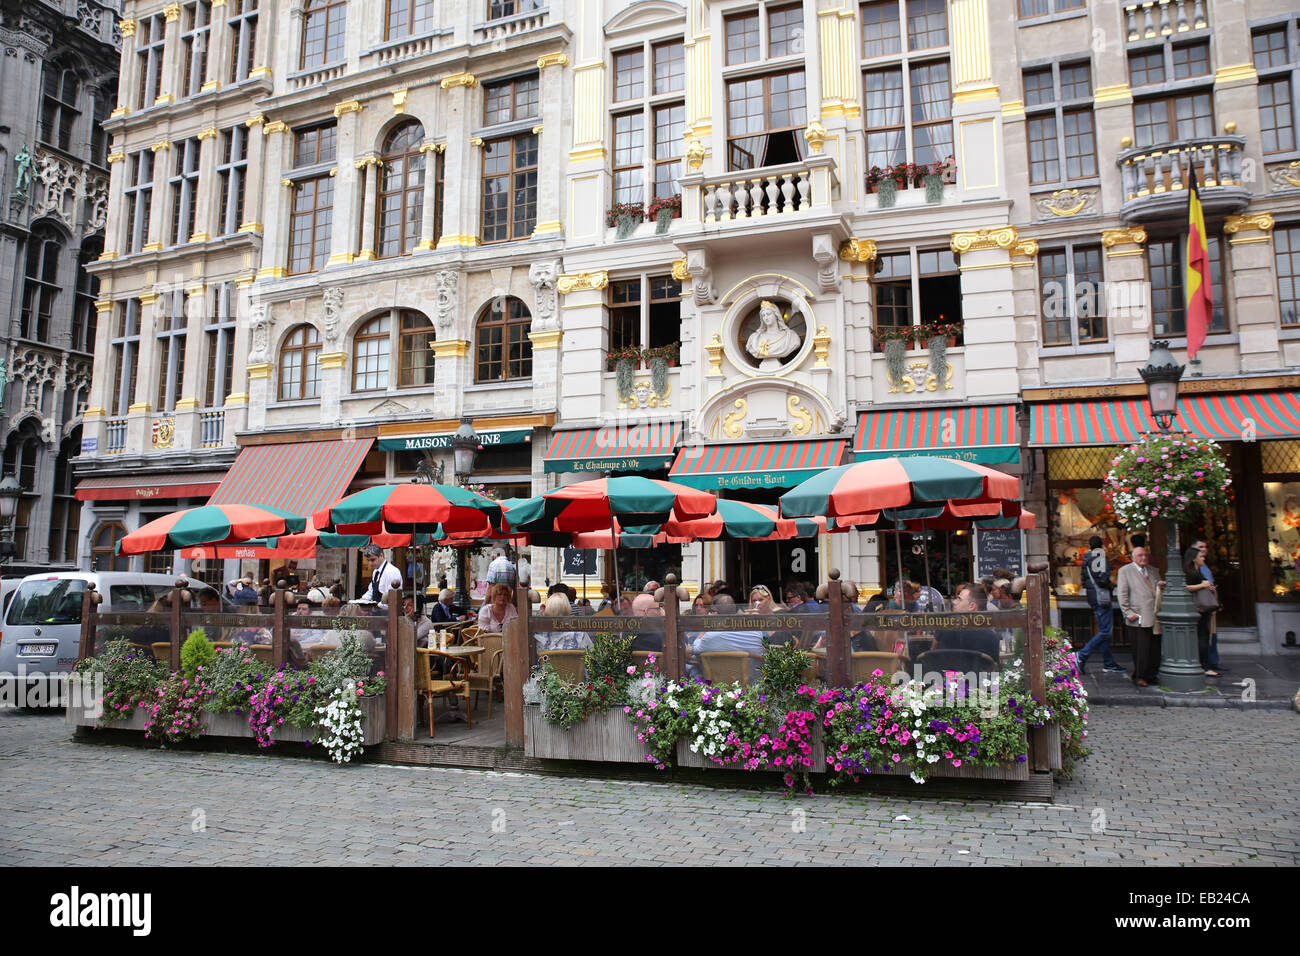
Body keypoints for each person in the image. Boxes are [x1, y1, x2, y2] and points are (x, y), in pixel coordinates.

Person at [688, 594, 765, 682]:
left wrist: (707, 627)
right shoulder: (755, 633)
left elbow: (694, 649)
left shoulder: (710, 637)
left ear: (715, 613)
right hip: (752, 686)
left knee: (690, 668)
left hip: (718, 688)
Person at [1117, 545, 1164, 687]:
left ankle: (1152, 674)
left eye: (1145, 555)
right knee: (1141, 648)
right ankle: (1140, 675)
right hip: (1138, 615)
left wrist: (1160, 587)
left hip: (1154, 615)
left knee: (1155, 648)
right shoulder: (1125, 571)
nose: (1143, 558)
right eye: (1140, 555)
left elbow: (1157, 589)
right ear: (1133, 557)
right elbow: (1122, 593)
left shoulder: (1153, 571)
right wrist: (1127, 612)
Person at [1077, 535, 1125, 675]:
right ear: (1101, 545)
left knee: (1103, 630)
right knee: (1105, 631)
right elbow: (1103, 579)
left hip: (1091, 595)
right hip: (1101, 597)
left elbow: (1084, 579)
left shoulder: (1086, 558)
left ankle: (1108, 662)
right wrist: (1111, 585)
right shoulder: (1099, 557)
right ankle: (1082, 655)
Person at [933, 583, 1001, 663]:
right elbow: (994, 667)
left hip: (947, 674)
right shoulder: (991, 636)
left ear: (972, 606)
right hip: (978, 675)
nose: (954, 602)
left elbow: (932, 656)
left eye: (959, 599)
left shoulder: (944, 628)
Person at [1183, 546, 1219, 676]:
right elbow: (1185, 587)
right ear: (1194, 559)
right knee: (1202, 636)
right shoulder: (1191, 573)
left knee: (1203, 636)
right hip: (1198, 608)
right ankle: (1204, 666)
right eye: (1201, 556)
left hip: (1201, 608)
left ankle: (1204, 665)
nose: (1203, 558)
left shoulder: (1197, 572)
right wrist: (1203, 585)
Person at [1192, 539, 1223, 674]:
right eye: (1200, 547)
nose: (1204, 549)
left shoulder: (1204, 566)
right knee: (1204, 635)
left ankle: (1212, 662)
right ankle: (1207, 664)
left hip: (1208, 604)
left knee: (1210, 634)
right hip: (1201, 605)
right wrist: (1204, 585)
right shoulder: (1193, 570)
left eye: (1205, 547)